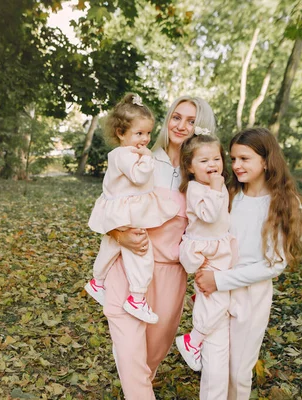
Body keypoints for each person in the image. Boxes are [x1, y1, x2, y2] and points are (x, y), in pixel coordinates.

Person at [101, 96, 217, 399]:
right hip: (129, 266)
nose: (181, 126)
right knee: (129, 352)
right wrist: (118, 233)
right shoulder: (139, 158)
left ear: (200, 127)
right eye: (176, 117)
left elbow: (214, 226)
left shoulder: (204, 172)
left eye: (191, 121)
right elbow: (108, 205)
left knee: (150, 357)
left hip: (171, 275)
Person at [195, 127, 302, 400]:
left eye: (244, 159)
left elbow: (275, 264)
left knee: (237, 373)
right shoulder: (229, 195)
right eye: (232, 159)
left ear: (266, 160)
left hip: (251, 297)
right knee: (214, 370)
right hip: (215, 294)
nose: (235, 166)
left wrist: (219, 280)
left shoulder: (285, 204)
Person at [85, 93, 180, 324]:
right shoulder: (126, 154)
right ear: (121, 133)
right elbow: (139, 177)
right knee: (140, 252)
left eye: (148, 133)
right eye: (139, 133)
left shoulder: (119, 153)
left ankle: (97, 281)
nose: (145, 139)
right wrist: (148, 158)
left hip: (120, 209)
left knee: (110, 246)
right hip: (128, 211)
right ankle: (137, 297)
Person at [174, 130, 237, 372]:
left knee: (218, 296)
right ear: (190, 167)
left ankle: (200, 299)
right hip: (204, 251)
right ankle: (192, 341)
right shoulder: (196, 189)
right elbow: (210, 215)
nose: (212, 165)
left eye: (216, 159)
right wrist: (216, 186)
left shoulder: (213, 186)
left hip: (216, 248)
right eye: (204, 161)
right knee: (220, 300)